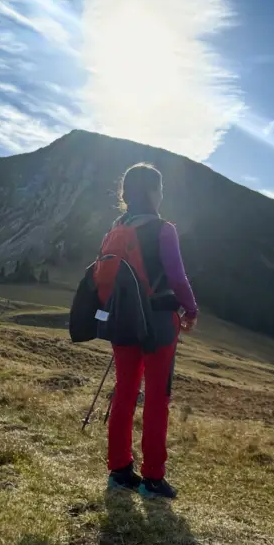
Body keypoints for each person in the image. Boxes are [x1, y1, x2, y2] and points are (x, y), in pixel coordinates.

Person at [106, 163, 197, 500]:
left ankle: (119, 470)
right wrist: (192, 309)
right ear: (152, 191)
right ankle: (153, 479)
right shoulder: (163, 229)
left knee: (125, 392)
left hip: (123, 321)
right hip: (159, 323)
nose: (161, 196)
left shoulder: (117, 227)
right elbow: (177, 278)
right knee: (157, 398)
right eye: (159, 189)